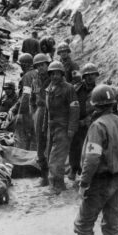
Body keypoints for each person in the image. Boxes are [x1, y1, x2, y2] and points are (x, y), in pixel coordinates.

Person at [74, 84, 118, 235]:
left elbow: (92, 158)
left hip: (100, 182)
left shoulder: (97, 126)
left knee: (82, 225)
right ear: (112, 103)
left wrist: (84, 183)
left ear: (95, 105)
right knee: (111, 223)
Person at [45, 61, 80, 194]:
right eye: (52, 74)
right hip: (52, 127)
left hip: (63, 127)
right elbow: (47, 112)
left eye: (57, 74)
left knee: (56, 158)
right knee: (51, 156)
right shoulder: (49, 88)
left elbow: (75, 109)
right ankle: (58, 184)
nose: (55, 76)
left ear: (62, 74)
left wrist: (71, 128)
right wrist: (45, 127)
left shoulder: (68, 88)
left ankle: (55, 186)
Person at [69, 63, 99, 181]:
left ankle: (84, 172)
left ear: (96, 76)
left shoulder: (98, 91)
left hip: (90, 123)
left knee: (88, 148)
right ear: (84, 77)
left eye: (93, 75)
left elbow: (99, 109)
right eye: (87, 75)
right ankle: (73, 168)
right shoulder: (76, 88)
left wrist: (86, 120)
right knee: (74, 146)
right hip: (76, 121)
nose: (90, 77)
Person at [30, 53, 51, 186]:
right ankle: (44, 176)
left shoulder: (55, 77)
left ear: (47, 65)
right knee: (40, 143)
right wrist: (34, 113)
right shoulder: (35, 79)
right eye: (38, 66)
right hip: (40, 111)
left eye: (42, 65)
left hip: (52, 112)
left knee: (51, 143)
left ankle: (53, 175)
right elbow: (32, 100)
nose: (41, 68)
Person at [12, 53, 37, 150]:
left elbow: (26, 96)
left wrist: (19, 113)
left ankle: (20, 161)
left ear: (24, 65)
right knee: (34, 138)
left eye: (21, 65)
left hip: (27, 112)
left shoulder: (27, 76)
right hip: (37, 110)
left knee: (21, 137)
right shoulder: (38, 73)